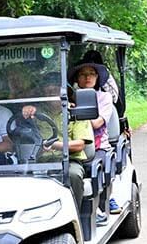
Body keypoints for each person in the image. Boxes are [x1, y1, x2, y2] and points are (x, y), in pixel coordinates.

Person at [23, 76, 94, 212]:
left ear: (65, 93)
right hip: (40, 161)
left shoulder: (75, 112)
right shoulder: (37, 114)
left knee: (73, 175)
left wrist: (54, 145)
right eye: (48, 92)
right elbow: (22, 135)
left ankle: (74, 215)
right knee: (21, 177)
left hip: (69, 160)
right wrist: (25, 110)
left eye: (56, 91)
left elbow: (79, 144)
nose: (52, 95)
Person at [71, 61, 120, 219]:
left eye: (91, 74)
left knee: (98, 166)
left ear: (97, 77)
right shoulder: (71, 97)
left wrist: (75, 113)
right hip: (74, 142)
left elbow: (98, 122)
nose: (87, 77)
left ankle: (101, 203)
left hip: (98, 145)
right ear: (77, 78)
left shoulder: (104, 97)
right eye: (83, 74)